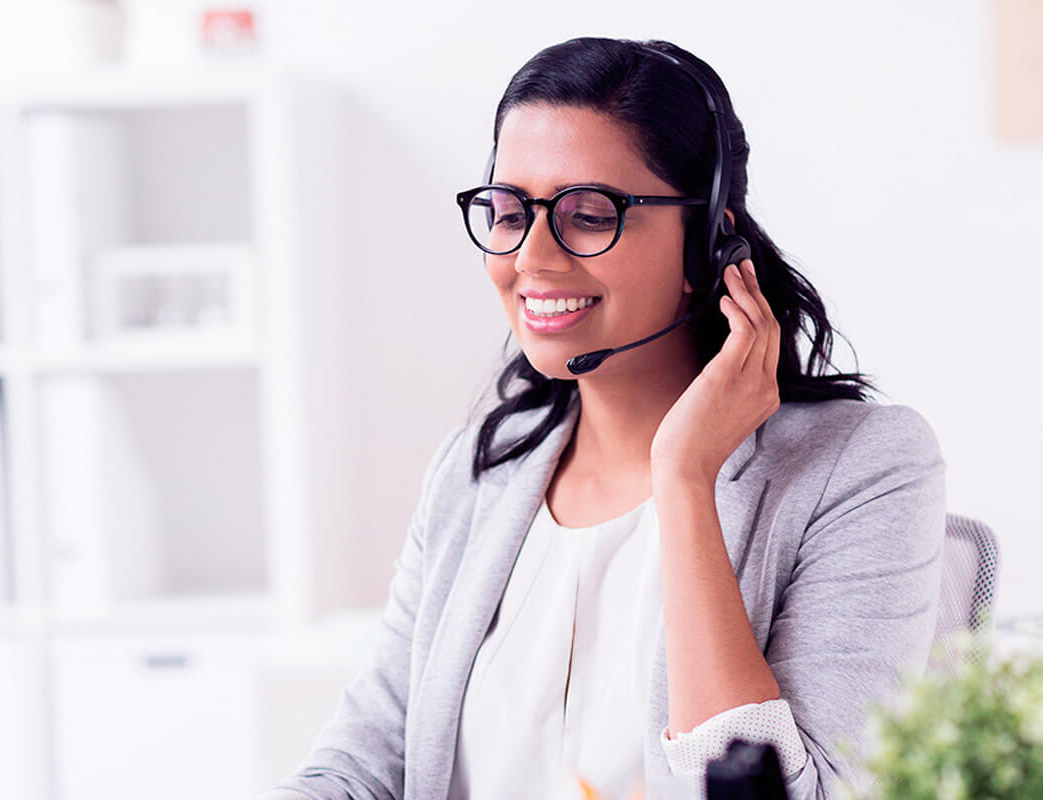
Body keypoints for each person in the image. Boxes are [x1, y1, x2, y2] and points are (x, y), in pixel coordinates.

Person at [259, 37, 946, 800]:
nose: (531, 257)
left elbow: (801, 796)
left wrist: (685, 480)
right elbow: (362, 761)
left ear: (707, 242)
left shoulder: (862, 468)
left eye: (589, 215)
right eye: (509, 211)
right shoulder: (475, 473)